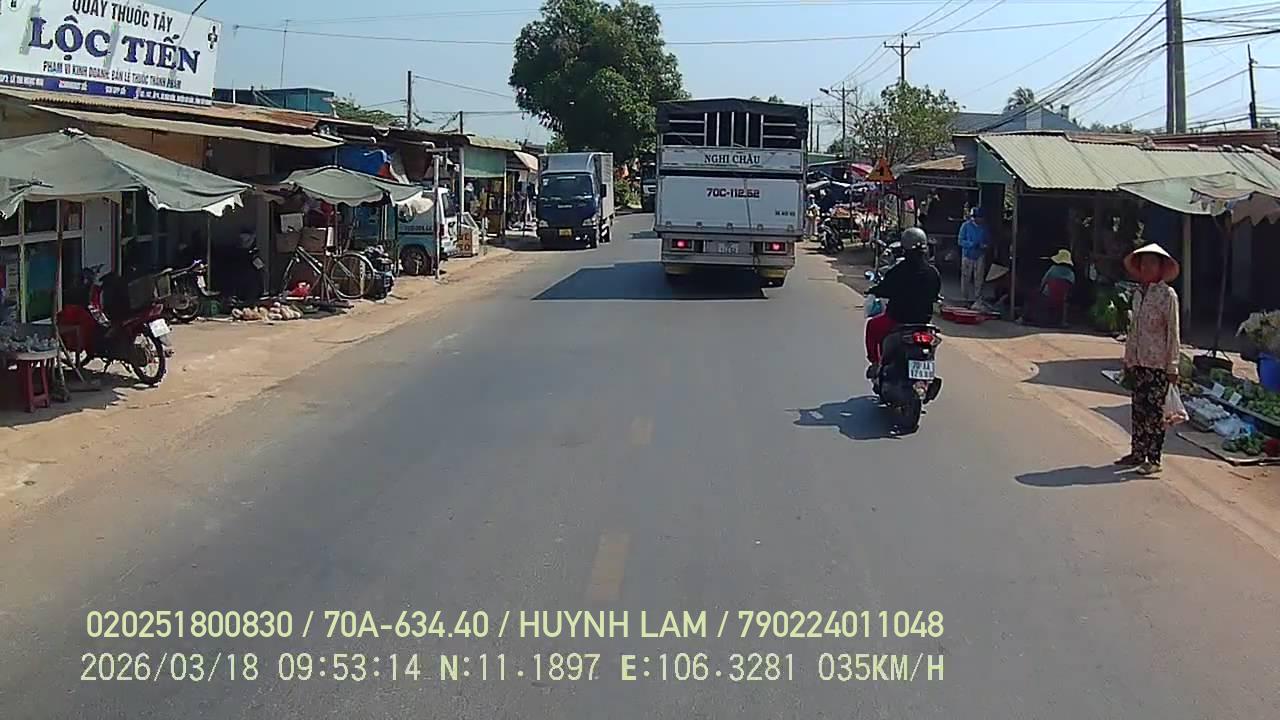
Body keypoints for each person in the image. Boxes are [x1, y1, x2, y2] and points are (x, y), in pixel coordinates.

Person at [1119, 243, 1182, 476]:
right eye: (1144, 263)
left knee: (1155, 414)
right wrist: (1128, 358)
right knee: (1139, 410)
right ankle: (1137, 452)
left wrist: (1172, 366)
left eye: (1152, 264)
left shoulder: (1167, 295)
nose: (1147, 268)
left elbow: (1173, 332)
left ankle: (1153, 458)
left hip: (1158, 364)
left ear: (1161, 268)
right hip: (1138, 361)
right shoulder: (1138, 294)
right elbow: (1133, 329)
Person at [865, 227, 942, 378]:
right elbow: (935, 295)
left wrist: (874, 290)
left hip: (897, 319)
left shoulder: (899, 271)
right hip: (924, 323)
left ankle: (875, 363)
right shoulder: (933, 272)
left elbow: (885, 289)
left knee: (872, 326)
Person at [1021, 249, 1077, 326]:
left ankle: (1025, 317)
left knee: (1030, 295)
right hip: (1063, 299)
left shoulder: (1053, 269)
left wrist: (1039, 290)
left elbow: (1044, 281)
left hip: (1047, 296)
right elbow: (1071, 288)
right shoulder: (1071, 273)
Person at [957, 206, 990, 302]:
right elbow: (960, 241)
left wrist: (984, 245)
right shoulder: (966, 226)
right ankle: (965, 298)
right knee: (966, 277)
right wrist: (971, 244)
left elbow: (988, 241)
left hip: (980, 255)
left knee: (979, 277)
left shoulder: (984, 228)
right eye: (979, 217)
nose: (981, 219)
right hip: (967, 255)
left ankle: (978, 298)